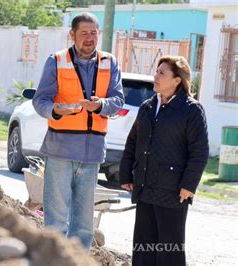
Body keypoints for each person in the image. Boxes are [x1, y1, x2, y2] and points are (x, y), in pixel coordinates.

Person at [32, 12, 124, 249]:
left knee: (83, 225)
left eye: (94, 33)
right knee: (56, 220)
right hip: (60, 150)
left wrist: (100, 105)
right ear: (72, 35)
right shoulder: (56, 60)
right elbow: (40, 101)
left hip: (91, 154)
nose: (89, 38)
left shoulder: (109, 62)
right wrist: (56, 110)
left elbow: (117, 99)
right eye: (84, 33)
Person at [119, 55, 209, 266]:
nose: (155, 76)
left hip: (173, 191)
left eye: (162, 73)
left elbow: (199, 151)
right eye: (156, 71)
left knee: (170, 249)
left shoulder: (192, 110)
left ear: (177, 80)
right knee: (143, 247)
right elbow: (133, 142)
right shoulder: (147, 107)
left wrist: (189, 185)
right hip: (145, 187)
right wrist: (125, 174)